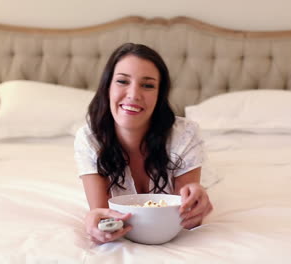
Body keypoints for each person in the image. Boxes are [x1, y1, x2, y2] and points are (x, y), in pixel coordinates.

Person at [74, 43, 213, 244]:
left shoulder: (184, 134)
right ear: (107, 88)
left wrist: (197, 203)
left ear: (159, 95)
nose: (133, 95)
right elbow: (102, 213)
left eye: (147, 85)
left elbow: (185, 218)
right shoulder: (90, 139)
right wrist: (94, 221)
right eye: (122, 81)